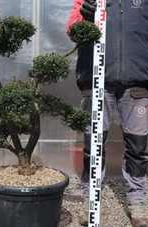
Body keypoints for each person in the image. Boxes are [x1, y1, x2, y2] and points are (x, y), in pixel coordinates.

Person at [66, 0, 148, 226]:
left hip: (138, 83)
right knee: (93, 144)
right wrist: (85, 17)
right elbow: (72, 30)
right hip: (96, 83)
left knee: (138, 146)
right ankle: (90, 198)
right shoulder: (90, 0)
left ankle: (137, 201)